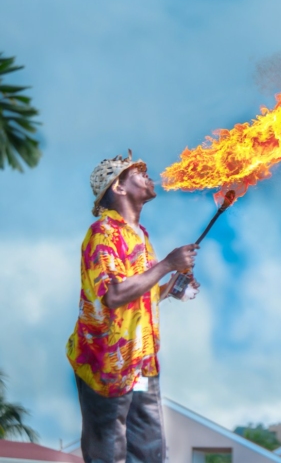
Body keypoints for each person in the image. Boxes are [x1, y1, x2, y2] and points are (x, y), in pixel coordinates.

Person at [66, 150, 199, 463]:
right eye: (138, 172)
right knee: (109, 455)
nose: (148, 176)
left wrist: (170, 290)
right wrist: (167, 264)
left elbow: (136, 296)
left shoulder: (140, 235)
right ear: (119, 187)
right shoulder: (103, 234)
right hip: (107, 367)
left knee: (150, 454)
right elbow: (112, 296)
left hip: (142, 365)